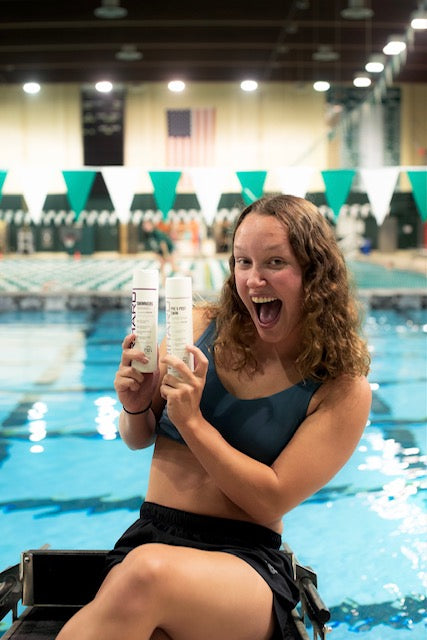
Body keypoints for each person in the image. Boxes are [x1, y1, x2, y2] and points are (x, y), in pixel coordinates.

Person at [56, 194, 372, 640]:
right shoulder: (198, 325)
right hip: (151, 536)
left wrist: (193, 423)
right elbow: (138, 438)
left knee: (145, 577)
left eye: (274, 262)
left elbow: (270, 500)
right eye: (242, 262)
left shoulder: (341, 388)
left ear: (315, 274)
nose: (254, 280)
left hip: (244, 565)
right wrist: (134, 404)